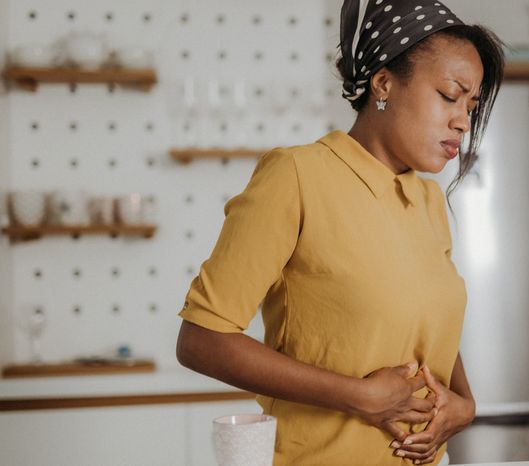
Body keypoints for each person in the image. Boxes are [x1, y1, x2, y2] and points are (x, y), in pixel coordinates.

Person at [175, 1, 504, 464]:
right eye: (449, 96)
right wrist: (359, 396)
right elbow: (201, 340)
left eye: (471, 106)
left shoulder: (428, 201)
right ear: (384, 83)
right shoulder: (296, 176)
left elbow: (430, 327)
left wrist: (463, 402)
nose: (462, 122)